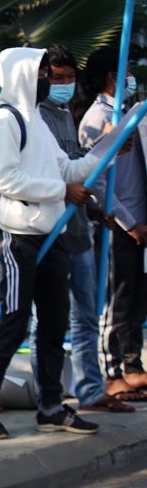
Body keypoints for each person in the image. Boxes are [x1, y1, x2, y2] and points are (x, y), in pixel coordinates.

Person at [0, 47, 101, 441]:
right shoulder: (3, 121)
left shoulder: (38, 122)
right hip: (21, 239)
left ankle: (51, 406)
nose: (47, 78)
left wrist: (104, 151)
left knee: (54, 324)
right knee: (14, 322)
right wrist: (61, 191)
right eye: (42, 71)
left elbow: (68, 168)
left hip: (53, 235)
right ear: (23, 74)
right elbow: (3, 179)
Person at [28, 44, 134, 412]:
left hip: (76, 232)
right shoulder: (31, 119)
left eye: (70, 78)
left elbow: (76, 168)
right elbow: (35, 176)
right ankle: (48, 397)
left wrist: (92, 209)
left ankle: (91, 389)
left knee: (86, 316)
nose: (65, 84)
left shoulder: (65, 115)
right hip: (47, 234)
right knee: (47, 322)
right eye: (57, 78)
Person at [77, 48, 147, 402]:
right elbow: (98, 179)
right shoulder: (97, 118)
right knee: (116, 299)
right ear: (112, 77)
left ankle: (133, 366)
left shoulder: (130, 113)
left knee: (136, 298)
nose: (132, 74)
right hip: (120, 223)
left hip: (138, 220)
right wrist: (129, 221)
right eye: (128, 69)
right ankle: (112, 371)